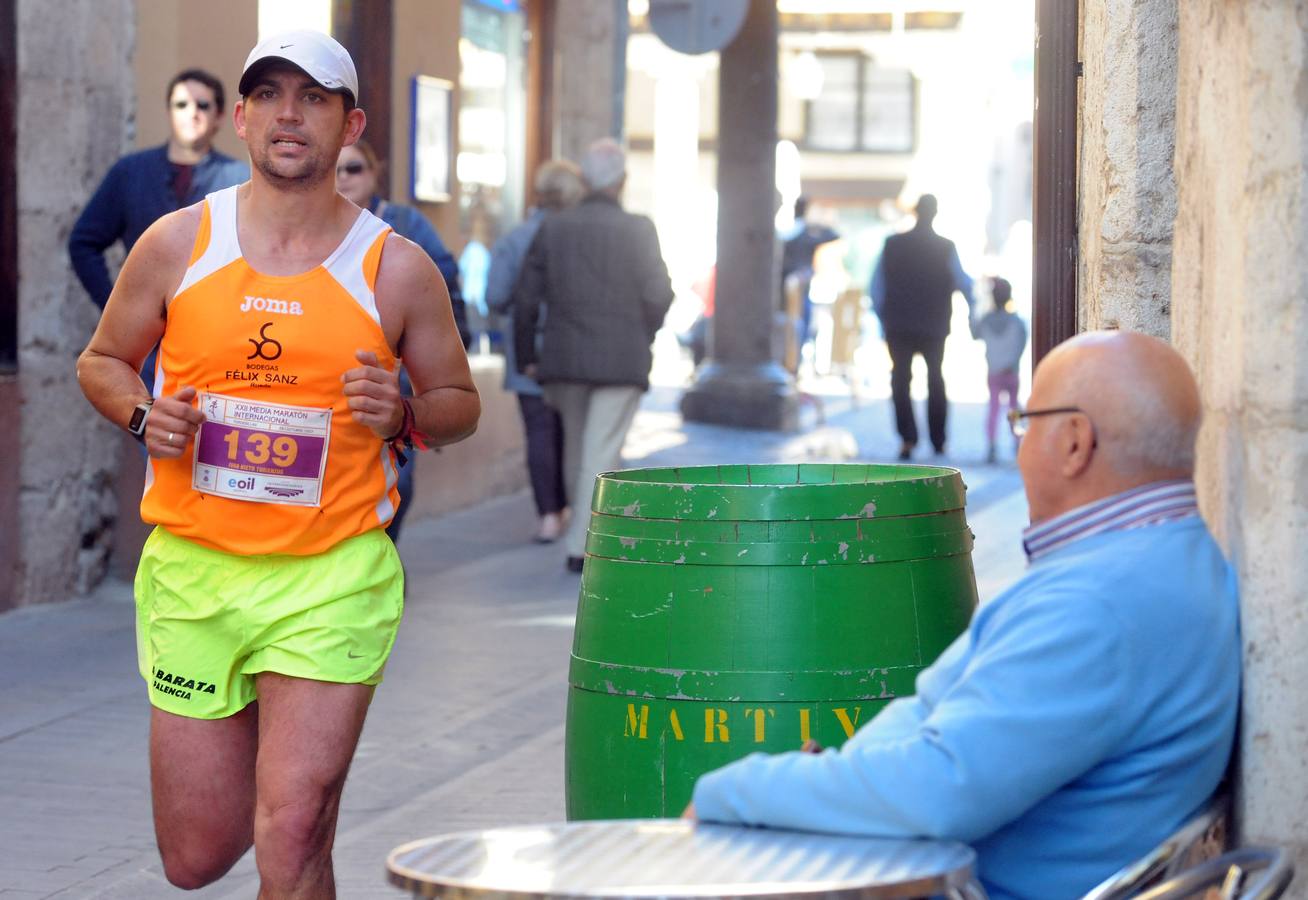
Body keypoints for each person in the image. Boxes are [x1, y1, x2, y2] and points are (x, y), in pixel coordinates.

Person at [75, 30, 479, 896]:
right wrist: (147, 415)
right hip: (195, 573)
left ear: (350, 123)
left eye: (315, 97)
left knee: (292, 828)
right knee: (196, 855)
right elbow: (102, 362)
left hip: (332, 575)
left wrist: (403, 415)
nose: (290, 114)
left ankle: (295, 768)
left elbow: (459, 406)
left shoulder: (396, 268)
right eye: (270, 94)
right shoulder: (176, 243)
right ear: (246, 115)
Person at [687, 330, 1240, 900]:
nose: (1019, 443)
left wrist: (734, 792)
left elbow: (941, 788)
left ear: (1075, 442)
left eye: (1025, 423)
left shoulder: (1102, 604)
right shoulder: (1167, 559)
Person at [514, 138, 674, 573]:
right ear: (622, 181)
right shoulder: (639, 228)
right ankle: (585, 546)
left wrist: (526, 354)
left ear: (583, 180)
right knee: (601, 452)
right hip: (621, 359)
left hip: (564, 360)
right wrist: (643, 332)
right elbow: (660, 293)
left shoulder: (554, 228)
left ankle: (581, 538)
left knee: (578, 450)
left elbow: (525, 297)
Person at [69, 68, 249, 389]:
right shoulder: (130, 172)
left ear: (221, 115)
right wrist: (117, 304)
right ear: (168, 111)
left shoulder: (239, 177)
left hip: (216, 343)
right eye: (181, 105)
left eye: (202, 105)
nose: (191, 113)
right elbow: (84, 241)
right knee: (155, 431)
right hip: (147, 345)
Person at [336, 138, 472, 543]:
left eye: (354, 168)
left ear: (374, 173)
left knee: (399, 479)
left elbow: (444, 278)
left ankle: (382, 551)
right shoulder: (314, 227)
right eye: (338, 169)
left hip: (398, 376)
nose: (344, 177)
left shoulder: (404, 224)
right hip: (333, 381)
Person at [485, 159, 586, 544]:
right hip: (571, 348)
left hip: (526, 349)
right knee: (571, 430)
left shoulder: (515, 238)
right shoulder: (577, 238)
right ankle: (574, 510)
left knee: (540, 432)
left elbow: (494, 296)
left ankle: (548, 516)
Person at [869, 194, 976, 459]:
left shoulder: (893, 244)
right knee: (935, 378)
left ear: (916, 212)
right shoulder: (945, 247)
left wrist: (883, 317)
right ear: (934, 213)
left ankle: (908, 439)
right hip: (934, 323)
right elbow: (964, 283)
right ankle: (938, 441)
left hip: (899, 323)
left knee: (900, 379)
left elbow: (876, 287)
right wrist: (973, 317)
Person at [970, 276, 1028, 463]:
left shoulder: (986, 320)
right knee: (1014, 406)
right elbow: (1022, 342)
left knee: (994, 407)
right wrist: (1014, 361)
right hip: (1012, 371)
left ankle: (992, 445)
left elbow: (974, 333)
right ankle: (1018, 442)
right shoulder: (1017, 321)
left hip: (993, 372)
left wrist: (975, 305)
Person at [779, 196, 840, 364]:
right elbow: (833, 234)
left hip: (797, 287)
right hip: (793, 287)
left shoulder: (795, 232)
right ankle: (792, 362)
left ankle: (794, 362)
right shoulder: (800, 233)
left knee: (797, 327)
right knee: (796, 327)